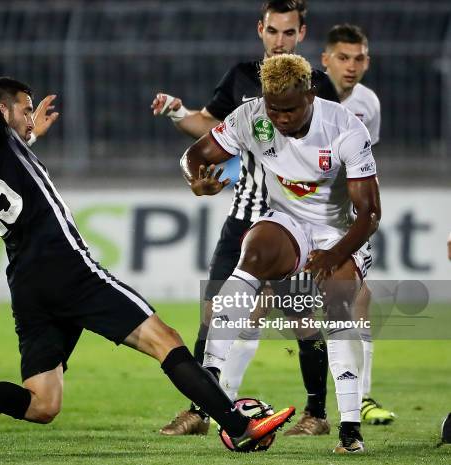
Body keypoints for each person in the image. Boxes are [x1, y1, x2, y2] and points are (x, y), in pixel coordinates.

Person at [0, 6, 295, 452]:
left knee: (42, 404)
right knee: (163, 339)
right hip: (67, 269)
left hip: (28, 283)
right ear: (3, 109)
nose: (31, 117)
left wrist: (30, 137)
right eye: (25, 110)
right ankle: (238, 426)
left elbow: (13, 169)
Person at [152, 0, 337, 437]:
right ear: (261, 29)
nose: (280, 41)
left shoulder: (319, 88)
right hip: (242, 216)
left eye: (289, 33)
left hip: (294, 223)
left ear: (302, 35)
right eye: (273, 31)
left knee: (302, 321)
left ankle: (317, 414)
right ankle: (199, 409)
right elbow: (211, 130)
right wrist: (184, 129)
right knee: (215, 310)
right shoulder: (240, 78)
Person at [181, 53, 380, 453]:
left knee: (338, 304)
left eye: (290, 109)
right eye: (274, 109)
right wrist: (196, 181)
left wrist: (333, 255)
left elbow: (370, 213)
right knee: (252, 254)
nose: (281, 118)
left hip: (340, 231)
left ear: (309, 95)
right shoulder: (251, 116)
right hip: (288, 221)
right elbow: (194, 156)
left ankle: (350, 427)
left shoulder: (345, 128)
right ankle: (211, 377)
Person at [322, 23, 395, 425]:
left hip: (346, 218)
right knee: (265, 301)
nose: (352, 67)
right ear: (326, 59)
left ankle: (361, 398)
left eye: (359, 58)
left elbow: (366, 161)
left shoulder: (369, 103)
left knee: (358, 298)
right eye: (343, 57)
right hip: (304, 212)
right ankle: (221, 395)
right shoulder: (308, 95)